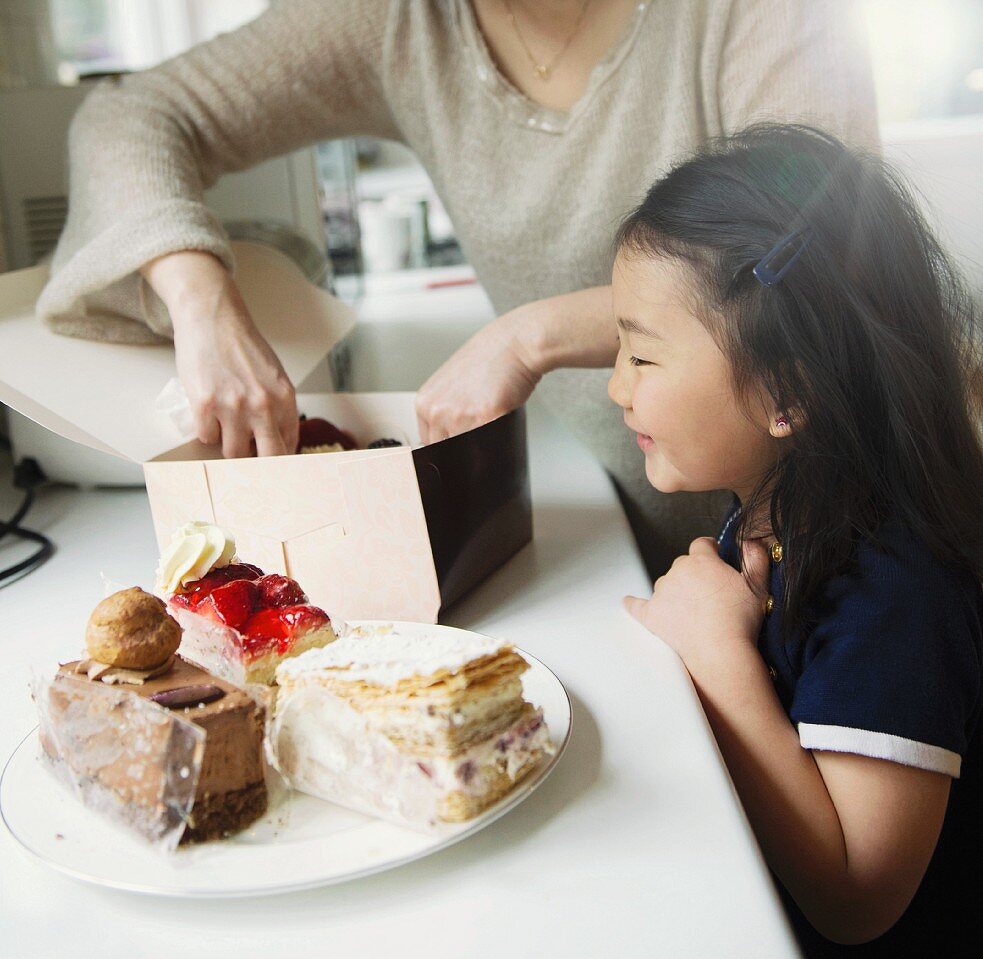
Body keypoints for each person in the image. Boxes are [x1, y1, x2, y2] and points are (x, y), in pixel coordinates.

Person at [37, 0, 878, 578]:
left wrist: (529, 335)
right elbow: (130, 118)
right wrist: (199, 299)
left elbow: (827, 263)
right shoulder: (399, 21)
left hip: (846, 521)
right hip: (672, 544)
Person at [611, 123, 983, 959]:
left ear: (787, 389)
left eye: (642, 357)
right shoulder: (779, 505)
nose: (615, 386)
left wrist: (716, 653)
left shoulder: (893, 581)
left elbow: (859, 894)